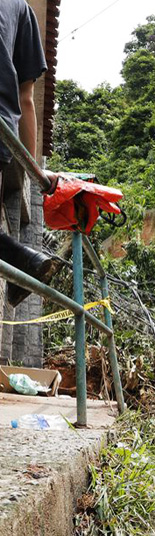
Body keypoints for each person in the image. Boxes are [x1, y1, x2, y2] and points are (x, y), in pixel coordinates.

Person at [1, 0, 60, 307]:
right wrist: (34, 169)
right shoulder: (21, 10)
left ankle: (24, 261)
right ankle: (25, 262)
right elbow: (26, 99)